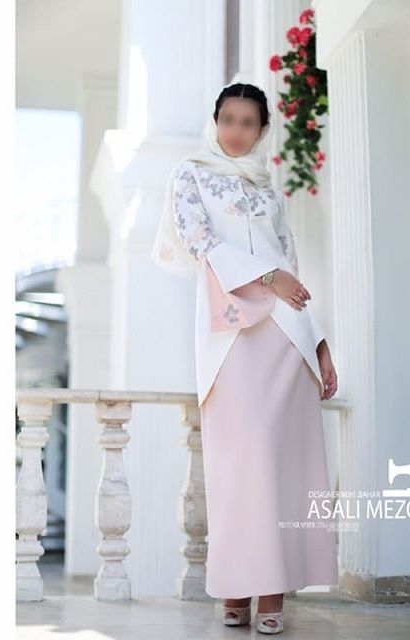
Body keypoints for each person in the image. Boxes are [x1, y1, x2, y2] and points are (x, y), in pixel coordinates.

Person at [151, 83, 339, 635]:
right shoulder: (191, 173)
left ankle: (271, 592)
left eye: (247, 122)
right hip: (229, 333)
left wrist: (320, 345)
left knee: (282, 464)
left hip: (287, 338)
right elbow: (198, 239)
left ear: (262, 131)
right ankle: (235, 585)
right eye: (228, 119)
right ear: (215, 122)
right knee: (239, 462)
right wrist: (268, 276)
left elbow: (292, 270)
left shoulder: (267, 190)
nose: (236, 131)